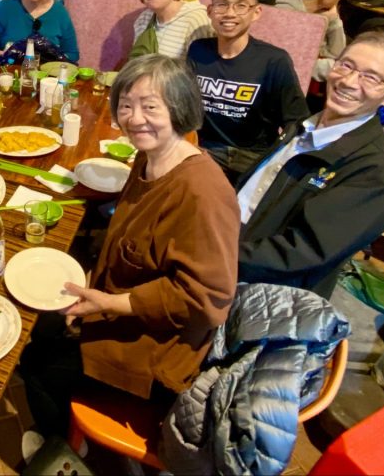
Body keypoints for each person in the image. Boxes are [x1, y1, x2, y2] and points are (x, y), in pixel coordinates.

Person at [20, 54, 239, 437]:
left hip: (155, 350)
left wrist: (107, 303)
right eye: (126, 105)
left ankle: (63, 449)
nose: (135, 118)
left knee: (36, 366)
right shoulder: (149, 157)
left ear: (180, 108)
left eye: (150, 106)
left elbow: (208, 300)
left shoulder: (202, 191)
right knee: (39, 328)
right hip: (118, 305)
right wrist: (94, 279)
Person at [236, 32, 384, 296]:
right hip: (228, 259)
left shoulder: (378, 174)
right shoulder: (303, 126)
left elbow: (302, 252)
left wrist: (213, 256)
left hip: (261, 295)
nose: (349, 81)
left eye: (371, 77)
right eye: (346, 65)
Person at [187, 0, 309, 183]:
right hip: (204, 150)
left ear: (256, 12)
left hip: (251, 156)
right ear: (210, 11)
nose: (229, 13)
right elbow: (183, 100)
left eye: (241, 6)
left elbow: (296, 121)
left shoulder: (273, 60)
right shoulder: (198, 50)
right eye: (221, 5)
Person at [275, 0, 353, 80]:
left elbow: (336, 53)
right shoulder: (285, 16)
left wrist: (333, 21)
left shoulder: (325, 11)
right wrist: (341, 68)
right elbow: (294, 66)